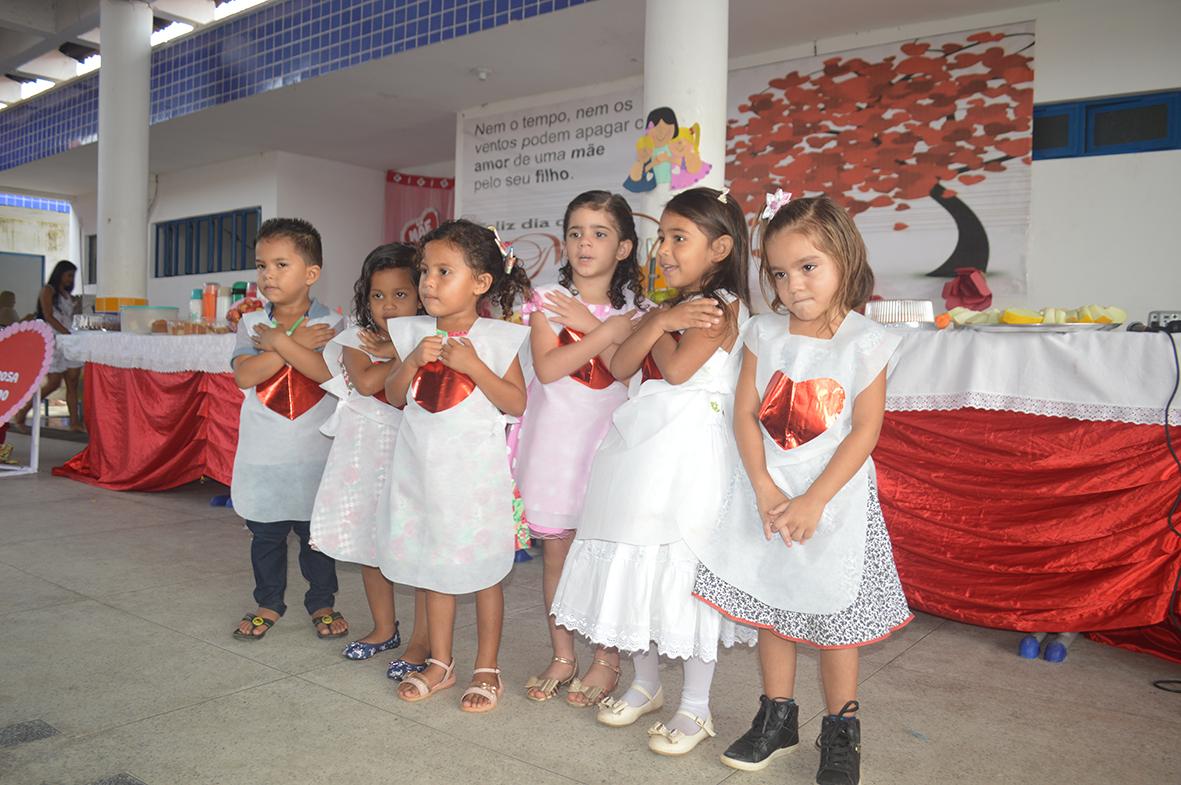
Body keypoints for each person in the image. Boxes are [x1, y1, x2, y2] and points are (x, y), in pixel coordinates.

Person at [690, 193, 912, 785]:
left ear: (844, 257)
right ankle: (777, 716)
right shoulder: (763, 332)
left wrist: (815, 500)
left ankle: (841, 728)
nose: (794, 286)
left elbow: (865, 429)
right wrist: (763, 487)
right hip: (769, 495)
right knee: (772, 603)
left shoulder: (867, 341)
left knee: (832, 611)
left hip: (832, 501)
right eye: (781, 274)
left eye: (808, 267)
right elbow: (745, 415)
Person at [550, 187, 753, 755]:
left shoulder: (719, 304)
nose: (662, 249)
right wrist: (661, 317)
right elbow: (618, 364)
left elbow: (682, 369)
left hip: (687, 450)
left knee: (679, 565)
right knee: (630, 552)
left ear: (720, 247)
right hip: (638, 445)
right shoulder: (673, 307)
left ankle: (696, 706)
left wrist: (659, 322)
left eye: (678, 238)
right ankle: (645, 682)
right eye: (661, 237)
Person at [379, 220, 531, 713]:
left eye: (445, 271)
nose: (428, 283)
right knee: (433, 568)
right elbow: (394, 396)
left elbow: (516, 403)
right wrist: (409, 364)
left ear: (481, 283)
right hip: (421, 475)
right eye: (425, 271)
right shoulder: (411, 334)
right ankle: (441, 662)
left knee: (484, 571)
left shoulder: (496, 339)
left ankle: (486, 667)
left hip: (473, 482)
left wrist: (474, 368)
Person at [514, 191, 647, 706]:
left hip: (608, 441)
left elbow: (627, 367)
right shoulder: (546, 299)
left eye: (599, 233)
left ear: (623, 247)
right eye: (575, 232)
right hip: (554, 440)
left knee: (604, 551)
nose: (585, 242)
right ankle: (563, 653)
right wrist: (605, 332)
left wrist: (598, 325)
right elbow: (548, 368)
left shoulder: (637, 311)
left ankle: (606, 658)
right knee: (557, 553)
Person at [309, 243, 432, 674]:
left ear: (421, 293)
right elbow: (365, 382)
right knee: (369, 540)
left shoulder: (435, 339)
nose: (388, 305)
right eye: (378, 296)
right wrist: (402, 352)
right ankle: (384, 628)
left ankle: (422, 642)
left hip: (414, 449)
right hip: (367, 451)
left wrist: (404, 349)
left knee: (416, 544)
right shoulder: (354, 338)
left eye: (400, 294)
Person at [228, 218, 349, 643]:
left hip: (317, 450)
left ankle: (322, 600)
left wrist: (278, 343)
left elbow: (325, 371)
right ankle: (268, 601)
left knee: (317, 534)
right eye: (262, 266)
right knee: (266, 533)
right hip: (267, 451)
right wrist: (291, 342)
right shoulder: (250, 323)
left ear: (311, 274)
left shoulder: (335, 324)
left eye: (281, 265)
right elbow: (246, 375)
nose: (268, 275)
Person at [10, 262, 83, 432]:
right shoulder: (48, 290)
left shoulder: (67, 294)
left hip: (68, 340)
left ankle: (74, 422)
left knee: (72, 383)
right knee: (54, 382)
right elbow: (48, 316)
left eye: (72, 276)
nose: (71, 279)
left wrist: (76, 308)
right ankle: (22, 411)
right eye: (69, 275)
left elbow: (72, 317)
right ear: (60, 274)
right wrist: (66, 333)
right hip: (54, 339)